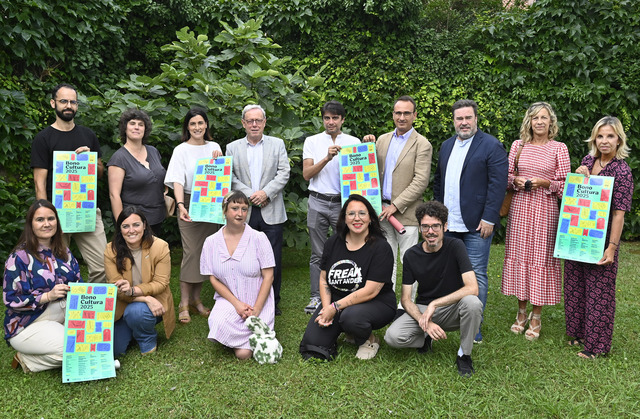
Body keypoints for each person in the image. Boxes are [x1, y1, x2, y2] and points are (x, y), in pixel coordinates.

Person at [433, 99, 508, 343]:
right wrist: (438, 215)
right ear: (453, 121)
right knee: (449, 273)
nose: (464, 122)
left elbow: (498, 185)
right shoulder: (446, 146)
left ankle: (474, 329)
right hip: (449, 223)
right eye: (459, 118)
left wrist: (489, 218)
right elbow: (438, 181)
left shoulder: (492, 145)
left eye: (468, 118)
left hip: (477, 224)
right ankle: (449, 320)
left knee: (476, 275)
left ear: (476, 119)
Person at [384, 201, 482, 377]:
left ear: (445, 226)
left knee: (472, 303)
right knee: (392, 337)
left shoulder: (456, 246)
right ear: (419, 228)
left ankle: (464, 355)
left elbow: (473, 288)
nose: (430, 231)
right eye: (425, 226)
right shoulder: (411, 255)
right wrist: (425, 321)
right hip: (423, 310)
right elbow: (405, 298)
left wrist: (435, 304)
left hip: (453, 309)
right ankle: (425, 337)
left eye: (436, 226)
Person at [564, 116, 633, 359]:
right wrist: (579, 175)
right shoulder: (587, 161)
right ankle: (577, 333)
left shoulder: (621, 171)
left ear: (619, 140)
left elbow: (619, 214)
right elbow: (577, 197)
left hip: (602, 238)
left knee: (599, 292)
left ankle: (597, 346)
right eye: (600, 136)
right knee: (575, 285)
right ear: (594, 139)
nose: (604, 141)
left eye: (610, 136)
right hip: (578, 232)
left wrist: (612, 247)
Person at [501, 102, 570, 340]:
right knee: (520, 255)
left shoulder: (559, 148)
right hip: (520, 207)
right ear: (529, 122)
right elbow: (506, 176)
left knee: (540, 258)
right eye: (535, 118)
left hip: (545, 209)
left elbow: (566, 186)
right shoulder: (518, 145)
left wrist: (545, 183)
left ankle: (536, 315)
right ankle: (521, 312)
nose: (539, 122)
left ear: (551, 122)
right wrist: (515, 180)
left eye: (544, 117)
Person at [299, 194, 396, 361]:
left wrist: (334, 307)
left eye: (362, 213)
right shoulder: (333, 242)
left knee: (351, 317)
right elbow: (323, 279)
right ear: (344, 218)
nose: (356, 218)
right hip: (337, 301)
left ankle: (369, 339)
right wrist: (326, 308)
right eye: (351, 214)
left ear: (371, 218)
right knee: (313, 344)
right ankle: (348, 330)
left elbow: (370, 291)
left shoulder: (381, 247)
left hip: (375, 301)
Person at [30, 83, 107, 283]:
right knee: (56, 268)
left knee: (103, 265)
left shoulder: (88, 135)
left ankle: (90, 302)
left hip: (86, 209)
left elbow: (100, 172)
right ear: (53, 103)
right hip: (57, 212)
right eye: (63, 101)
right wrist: (46, 217)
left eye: (73, 102)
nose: (68, 106)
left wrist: (90, 160)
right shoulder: (43, 138)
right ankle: (61, 302)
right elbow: (39, 183)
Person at [363, 95, 432, 303]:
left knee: (409, 260)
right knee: (386, 259)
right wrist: (366, 145)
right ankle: (388, 302)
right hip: (381, 212)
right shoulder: (382, 140)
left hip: (407, 214)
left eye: (406, 113)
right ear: (393, 114)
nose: (402, 117)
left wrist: (396, 205)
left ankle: (407, 305)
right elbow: (369, 169)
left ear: (415, 115)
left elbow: (421, 181)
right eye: (398, 113)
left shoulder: (422, 144)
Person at [4, 200, 82, 372]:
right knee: (73, 348)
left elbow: (79, 283)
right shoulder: (19, 258)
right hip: (27, 323)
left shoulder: (64, 251)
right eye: (40, 220)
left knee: (92, 340)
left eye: (51, 219)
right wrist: (47, 296)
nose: (47, 224)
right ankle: (27, 360)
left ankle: (60, 334)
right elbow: (11, 300)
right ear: (30, 224)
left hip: (60, 311)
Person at [226, 104, 290, 315]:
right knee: (246, 257)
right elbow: (230, 176)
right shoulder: (232, 147)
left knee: (273, 258)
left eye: (258, 120)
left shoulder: (277, 144)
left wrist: (265, 193)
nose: (254, 124)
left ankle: (273, 301)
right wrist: (251, 195)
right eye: (250, 121)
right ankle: (247, 298)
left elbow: (284, 172)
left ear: (264, 122)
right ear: (243, 123)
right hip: (244, 212)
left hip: (272, 210)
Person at [200, 191, 276, 360]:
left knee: (243, 354)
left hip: (257, 300)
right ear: (225, 211)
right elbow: (213, 278)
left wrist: (256, 309)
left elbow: (269, 276)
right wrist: (237, 304)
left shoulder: (259, 238)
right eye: (235, 208)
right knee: (218, 322)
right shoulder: (211, 242)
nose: (240, 213)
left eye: (244, 209)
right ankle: (239, 337)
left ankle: (245, 339)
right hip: (229, 300)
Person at [165, 107, 222, 323]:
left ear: (206, 125)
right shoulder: (181, 150)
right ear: (187, 127)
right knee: (191, 252)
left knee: (205, 253)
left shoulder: (215, 147)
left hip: (211, 204)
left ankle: (197, 300)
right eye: (192, 124)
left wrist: (219, 161)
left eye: (200, 123)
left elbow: (220, 176)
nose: (197, 127)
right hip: (189, 203)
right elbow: (178, 180)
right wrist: (181, 205)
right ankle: (183, 303)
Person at [302, 100, 360, 314]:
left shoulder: (353, 141)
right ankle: (316, 297)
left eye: (335, 118)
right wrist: (327, 158)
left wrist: (368, 143)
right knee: (317, 253)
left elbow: (362, 172)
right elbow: (306, 174)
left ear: (342, 120)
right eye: (327, 118)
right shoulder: (312, 141)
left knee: (346, 249)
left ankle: (343, 295)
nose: (330, 122)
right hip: (317, 200)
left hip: (342, 203)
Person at [104, 206, 174, 356]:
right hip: (125, 303)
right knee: (114, 350)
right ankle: (134, 327)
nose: (131, 230)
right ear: (120, 229)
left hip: (154, 304)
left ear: (144, 225)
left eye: (136, 225)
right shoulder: (111, 250)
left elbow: (161, 283)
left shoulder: (160, 246)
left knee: (136, 312)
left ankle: (146, 337)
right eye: (125, 226)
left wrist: (134, 291)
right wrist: (145, 298)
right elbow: (115, 289)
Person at [108, 109, 167, 236]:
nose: (136, 127)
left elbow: (159, 175)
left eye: (141, 124)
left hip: (157, 218)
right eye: (132, 123)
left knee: (155, 249)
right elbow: (114, 195)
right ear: (125, 128)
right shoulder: (119, 158)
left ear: (145, 129)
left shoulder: (153, 151)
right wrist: (122, 225)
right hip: (133, 223)